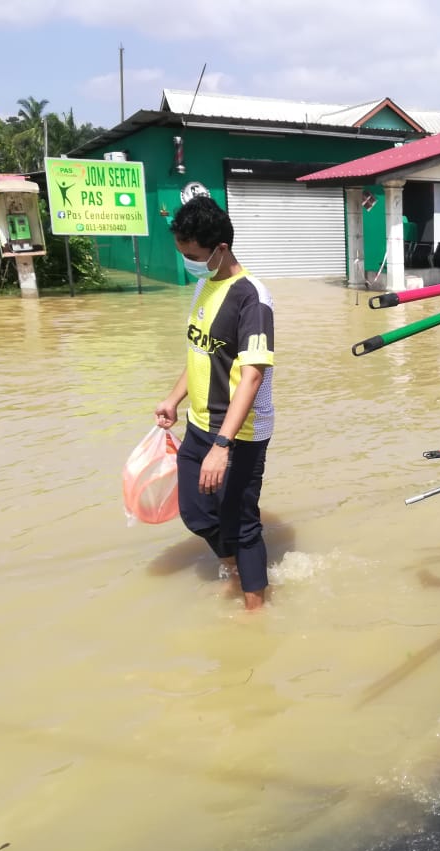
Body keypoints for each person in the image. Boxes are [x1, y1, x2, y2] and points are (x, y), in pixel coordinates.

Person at [154, 195, 275, 611]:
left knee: (242, 524)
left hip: (238, 434)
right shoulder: (205, 286)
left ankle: (256, 609)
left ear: (220, 248)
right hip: (199, 423)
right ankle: (236, 571)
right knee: (197, 514)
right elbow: (202, 353)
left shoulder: (252, 298)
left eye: (192, 255)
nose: (187, 262)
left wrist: (223, 446)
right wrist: (173, 399)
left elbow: (253, 375)